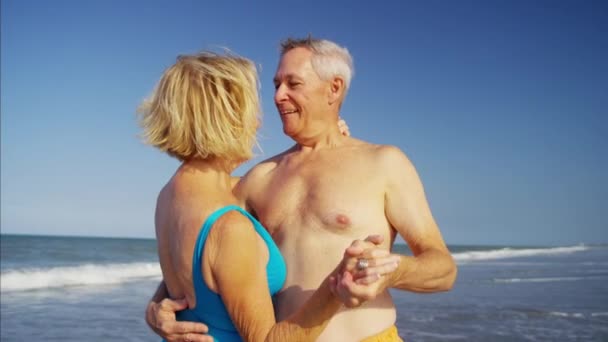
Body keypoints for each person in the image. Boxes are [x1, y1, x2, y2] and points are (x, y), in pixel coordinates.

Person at [147, 37, 457, 341]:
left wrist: (392, 271)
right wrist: (161, 304)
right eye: (276, 84)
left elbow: (443, 269)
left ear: (333, 89)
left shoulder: (383, 163)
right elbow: (201, 247)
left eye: (293, 84)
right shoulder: (258, 177)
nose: (278, 96)